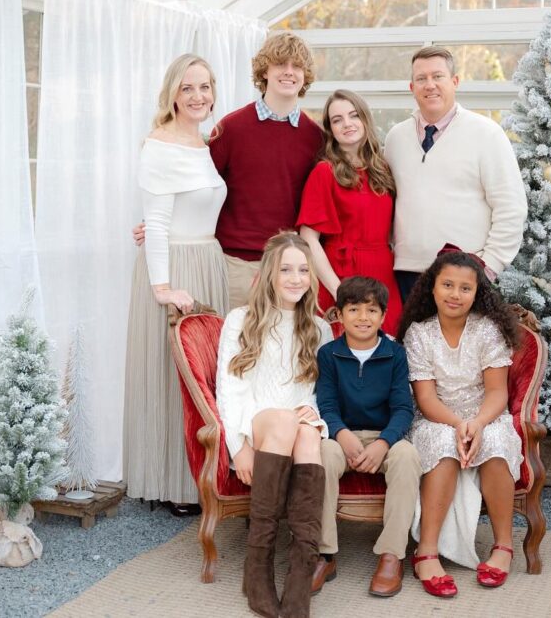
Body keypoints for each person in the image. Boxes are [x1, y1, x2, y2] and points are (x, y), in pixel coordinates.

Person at [134, 32, 324, 309]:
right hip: (235, 266)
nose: (289, 72)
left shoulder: (315, 137)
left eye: (297, 66)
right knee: (230, 337)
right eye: (280, 64)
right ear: (264, 71)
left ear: (305, 75)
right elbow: (196, 185)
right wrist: (154, 224)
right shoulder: (231, 128)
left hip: (288, 267)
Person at [123, 54, 229, 513]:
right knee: (175, 378)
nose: (197, 96)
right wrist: (162, 288)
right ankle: (174, 484)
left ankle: (201, 478)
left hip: (207, 258)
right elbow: (160, 223)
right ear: (172, 94)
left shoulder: (204, 142)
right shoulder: (160, 144)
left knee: (204, 376)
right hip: (177, 267)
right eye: (187, 88)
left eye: (204, 87)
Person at [216, 232, 333, 618]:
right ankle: (257, 568)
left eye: (303, 270)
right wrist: (239, 447)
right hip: (256, 422)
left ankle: (300, 577)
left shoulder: (319, 327)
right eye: (286, 270)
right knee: (285, 421)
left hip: (295, 420)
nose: (296, 278)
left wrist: (311, 413)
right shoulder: (241, 320)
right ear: (269, 273)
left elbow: (316, 390)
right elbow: (229, 388)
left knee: (308, 435)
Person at [397, 247, 523, 598]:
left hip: (485, 414)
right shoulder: (419, 333)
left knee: (498, 442)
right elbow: (425, 398)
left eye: (465, 288)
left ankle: (503, 546)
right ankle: (427, 552)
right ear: (432, 288)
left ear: (477, 292)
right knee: (442, 443)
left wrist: (478, 423)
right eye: (448, 285)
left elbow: (497, 392)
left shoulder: (487, 330)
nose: (455, 294)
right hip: (437, 416)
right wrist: (457, 425)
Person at [385, 47, 528, 300]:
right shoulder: (395, 138)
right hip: (406, 274)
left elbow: (511, 207)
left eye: (438, 76)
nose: (430, 85)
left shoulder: (486, 134)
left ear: (455, 81)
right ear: (412, 87)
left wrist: (488, 268)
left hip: (464, 277)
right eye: (421, 78)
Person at [312, 277, 420, 598]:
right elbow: (326, 404)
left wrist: (384, 443)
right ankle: (323, 553)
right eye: (354, 309)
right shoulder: (329, 354)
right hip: (341, 437)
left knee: (407, 456)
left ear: (383, 316)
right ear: (339, 315)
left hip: (383, 437)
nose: (363, 317)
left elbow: (403, 408)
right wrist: (341, 434)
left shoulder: (395, 354)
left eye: (371, 310)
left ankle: (391, 555)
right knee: (322, 454)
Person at [297, 90, 403, 335]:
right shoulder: (324, 172)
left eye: (353, 115)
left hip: (383, 271)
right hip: (341, 273)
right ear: (330, 130)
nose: (347, 124)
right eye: (337, 120)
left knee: (388, 343)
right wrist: (339, 292)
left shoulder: (382, 169)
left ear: (365, 119)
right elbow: (308, 238)